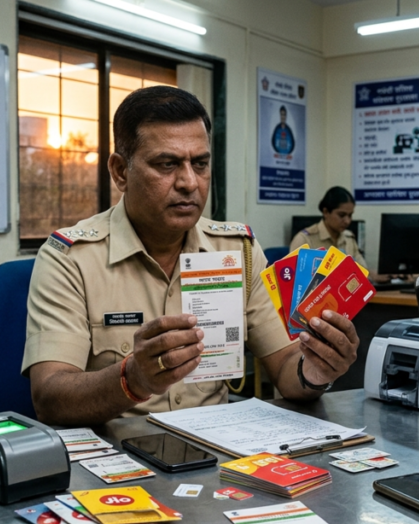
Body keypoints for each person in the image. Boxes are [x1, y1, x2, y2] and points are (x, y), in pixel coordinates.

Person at [23, 86, 359, 426]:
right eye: (166, 164)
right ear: (120, 172)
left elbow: (287, 366)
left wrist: (316, 369)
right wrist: (132, 378)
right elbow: (50, 396)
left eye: (200, 164)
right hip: (116, 459)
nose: (189, 182)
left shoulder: (237, 251)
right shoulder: (70, 258)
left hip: (216, 454)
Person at [290, 186, 387, 282]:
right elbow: (294, 282)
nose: (347, 221)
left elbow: (362, 271)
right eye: (342, 215)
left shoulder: (349, 238)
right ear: (326, 212)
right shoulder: (304, 240)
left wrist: (376, 275)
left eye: (350, 215)